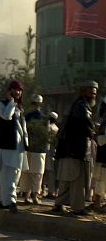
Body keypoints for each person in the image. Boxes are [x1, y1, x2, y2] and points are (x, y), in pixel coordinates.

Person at [53, 80, 98, 216]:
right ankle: (78, 208)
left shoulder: (76, 105)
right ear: (83, 92)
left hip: (70, 150)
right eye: (91, 92)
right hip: (77, 150)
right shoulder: (82, 106)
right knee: (78, 180)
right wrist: (95, 130)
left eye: (95, 93)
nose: (93, 95)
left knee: (67, 179)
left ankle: (59, 204)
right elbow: (86, 125)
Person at [0, 80, 28, 213]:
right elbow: (7, 116)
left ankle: (7, 201)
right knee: (6, 176)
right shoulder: (2, 105)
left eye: (20, 90)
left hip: (18, 147)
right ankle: (9, 201)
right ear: (9, 91)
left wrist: (26, 142)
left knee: (14, 175)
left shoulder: (20, 108)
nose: (18, 92)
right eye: (15, 89)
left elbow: (23, 128)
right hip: (6, 146)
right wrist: (11, 102)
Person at [20, 94, 49, 204]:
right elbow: (46, 135)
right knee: (37, 174)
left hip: (28, 148)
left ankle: (26, 196)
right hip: (39, 149)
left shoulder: (27, 116)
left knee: (27, 173)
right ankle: (35, 197)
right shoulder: (44, 118)